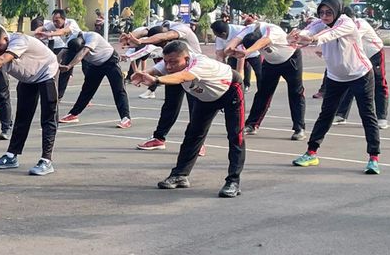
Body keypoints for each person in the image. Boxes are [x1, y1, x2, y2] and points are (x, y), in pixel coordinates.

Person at [288, 0, 382, 174]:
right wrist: (296, 36)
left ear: (337, 11)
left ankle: (373, 158)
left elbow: (329, 34)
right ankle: (311, 152)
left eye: (328, 12)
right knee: (326, 114)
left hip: (360, 74)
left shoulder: (346, 23)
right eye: (322, 12)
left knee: (367, 114)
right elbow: (308, 31)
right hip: (335, 77)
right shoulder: (320, 23)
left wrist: (311, 39)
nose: (324, 16)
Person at [139, 39, 244, 197]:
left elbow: (183, 76)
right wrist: (142, 74)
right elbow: (157, 68)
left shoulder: (200, 64)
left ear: (186, 59)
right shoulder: (172, 62)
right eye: (166, 62)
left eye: (173, 62)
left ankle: (233, 182)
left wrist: (156, 80)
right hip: (205, 97)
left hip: (230, 90)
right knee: (193, 134)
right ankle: (179, 175)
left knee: (236, 136)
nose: (169, 67)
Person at [0, 26, 59, 176]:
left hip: (47, 73)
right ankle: (11, 156)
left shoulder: (20, 40)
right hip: (28, 78)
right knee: (22, 117)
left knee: (48, 118)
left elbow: (1, 60)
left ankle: (46, 161)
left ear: (6, 39)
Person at [122, 18, 201, 151]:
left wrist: (141, 41)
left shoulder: (181, 29)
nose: (163, 46)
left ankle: (198, 143)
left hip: (193, 71)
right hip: (175, 69)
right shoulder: (160, 26)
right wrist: (130, 38)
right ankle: (159, 138)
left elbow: (165, 36)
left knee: (196, 109)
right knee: (170, 105)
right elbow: (146, 31)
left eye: (163, 44)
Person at [233, 19, 305, 140]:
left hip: (291, 59)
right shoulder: (249, 30)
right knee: (263, 93)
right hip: (271, 63)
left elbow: (265, 40)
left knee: (295, 92)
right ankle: (252, 124)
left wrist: (247, 51)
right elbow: (233, 41)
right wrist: (229, 50)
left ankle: (299, 128)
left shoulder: (271, 30)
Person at [59, 17, 132, 128]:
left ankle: (126, 118)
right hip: (95, 65)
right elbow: (63, 52)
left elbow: (83, 52)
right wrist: (55, 64)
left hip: (110, 61)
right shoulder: (72, 38)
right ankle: (73, 114)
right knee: (87, 90)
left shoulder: (93, 37)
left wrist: (69, 66)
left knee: (118, 89)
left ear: (83, 42)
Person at [335, 12, 390, 130]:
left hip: (374, 54)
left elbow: (351, 39)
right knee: (350, 81)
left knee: (379, 83)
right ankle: (341, 115)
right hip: (358, 56)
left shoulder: (360, 24)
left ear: (352, 18)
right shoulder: (340, 27)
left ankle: (381, 117)